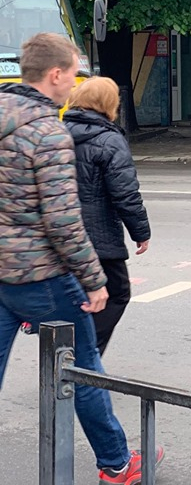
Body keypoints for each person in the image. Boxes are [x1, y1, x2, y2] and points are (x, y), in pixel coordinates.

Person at [0, 33, 163, 484]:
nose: (74, 83)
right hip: (41, 274)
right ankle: (116, 463)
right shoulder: (46, 132)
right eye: (72, 73)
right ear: (55, 74)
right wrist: (94, 280)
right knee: (84, 366)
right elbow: (63, 221)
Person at [64, 77, 151, 355]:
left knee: (77, 296)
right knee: (117, 293)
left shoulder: (59, 132)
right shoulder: (109, 139)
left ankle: (66, 353)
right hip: (99, 237)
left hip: (63, 233)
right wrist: (141, 232)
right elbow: (125, 192)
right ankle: (84, 357)